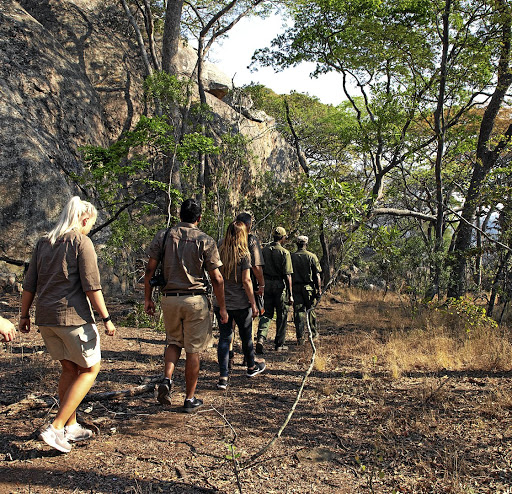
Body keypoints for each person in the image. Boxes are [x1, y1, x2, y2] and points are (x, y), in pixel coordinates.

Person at [19, 196, 116, 453]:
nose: (89, 228)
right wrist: (106, 318)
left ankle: (71, 426)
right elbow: (92, 286)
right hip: (72, 318)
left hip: (46, 319)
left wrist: (24, 315)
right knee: (90, 369)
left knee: (70, 370)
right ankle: (56, 426)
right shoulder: (81, 242)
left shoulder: (44, 242)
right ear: (84, 219)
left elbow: (30, 284)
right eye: (90, 224)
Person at [144, 199, 228, 412]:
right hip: (195, 300)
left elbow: (149, 270)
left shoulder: (164, 236)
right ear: (199, 218)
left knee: (173, 342)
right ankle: (189, 399)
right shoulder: (205, 240)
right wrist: (223, 307)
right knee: (193, 351)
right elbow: (217, 278)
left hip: (170, 299)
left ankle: (166, 378)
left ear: (179, 215)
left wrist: (148, 298)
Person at [214, 221, 265, 390]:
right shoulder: (244, 254)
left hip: (222, 303)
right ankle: (251, 367)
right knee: (246, 336)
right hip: (241, 305)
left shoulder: (218, 250)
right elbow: (247, 281)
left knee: (224, 337)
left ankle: (223, 377)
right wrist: (253, 303)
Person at [256, 227, 294, 353]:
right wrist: (290, 295)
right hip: (279, 286)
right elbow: (288, 275)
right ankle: (279, 344)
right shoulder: (285, 253)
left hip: (266, 284)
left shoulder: (263, 251)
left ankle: (261, 338)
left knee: (266, 313)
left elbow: (258, 268)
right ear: (282, 238)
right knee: (282, 315)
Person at [291, 235, 322, 344]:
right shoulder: (312, 256)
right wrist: (319, 290)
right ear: (306, 244)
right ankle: (313, 334)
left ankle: (300, 337)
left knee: (298, 312)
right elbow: (317, 275)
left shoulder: (292, 256)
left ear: (297, 244)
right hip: (309, 288)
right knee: (310, 310)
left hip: (295, 288)